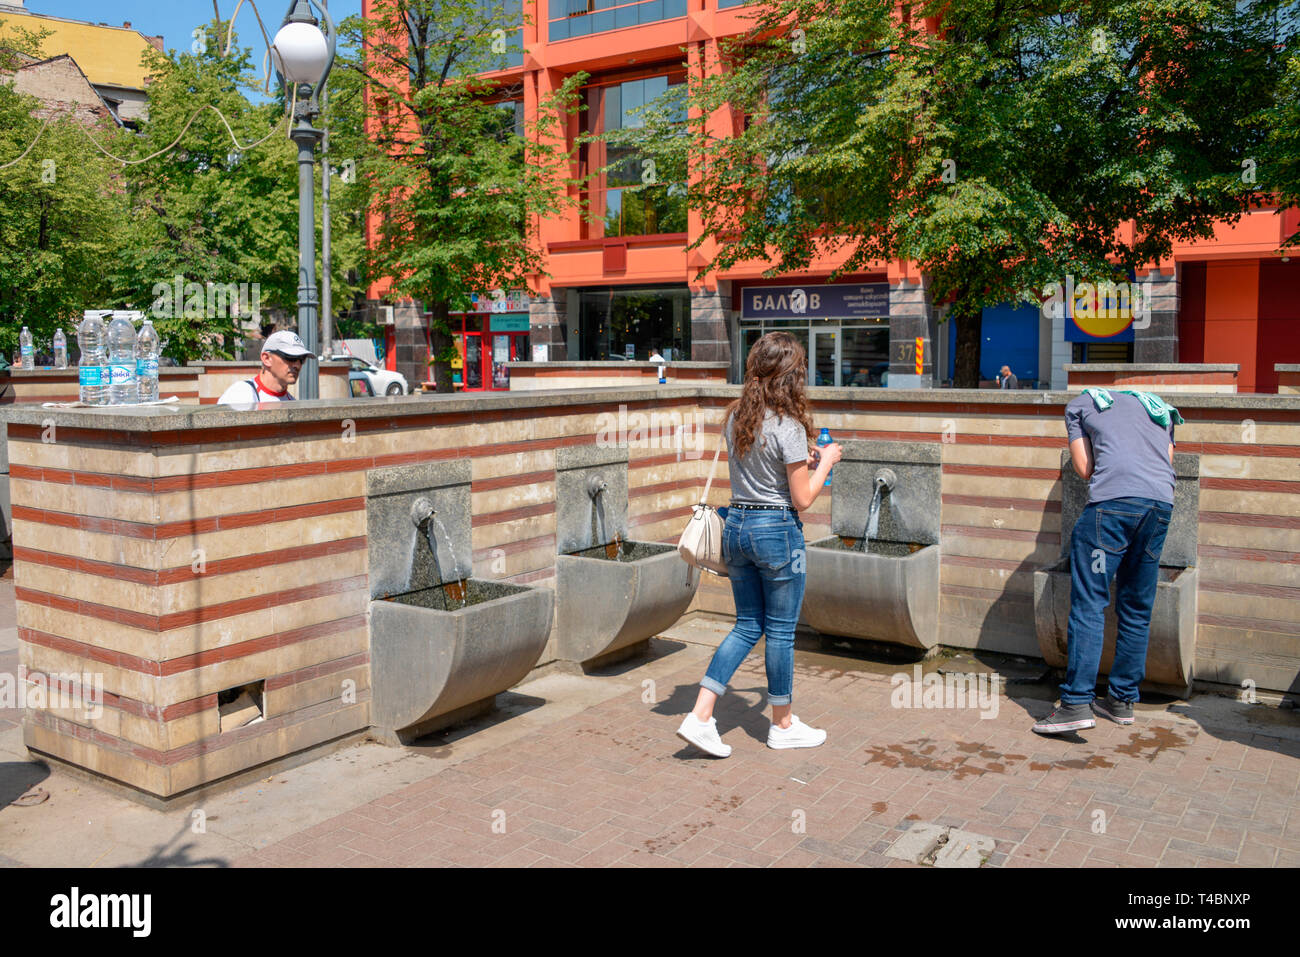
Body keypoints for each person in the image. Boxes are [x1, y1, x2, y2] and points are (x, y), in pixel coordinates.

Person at [676, 331, 842, 757]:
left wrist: (800, 463)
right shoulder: (786, 424)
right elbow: (802, 498)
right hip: (776, 533)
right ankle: (783, 725)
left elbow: (759, 472)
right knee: (781, 634)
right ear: (791, 375)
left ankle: (699, 715)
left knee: (748, 625)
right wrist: (824, 461)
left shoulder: (737, 417)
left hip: (736, 527)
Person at [1032, 388, 1181, 734]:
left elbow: (1084, 468)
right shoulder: (1159, 408)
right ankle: (1121, 700)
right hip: (1159, 508)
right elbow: (1166, 464)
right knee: (1136, 607)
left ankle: (1075, 704)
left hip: (1111, 510)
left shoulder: (1081, 404)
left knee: (1089, 604)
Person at [218, 331, 313, 407]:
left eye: (302, 359)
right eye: (290, 357)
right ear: (266, 358)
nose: (297, 365)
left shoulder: (292, 403)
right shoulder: (241, 394)